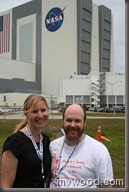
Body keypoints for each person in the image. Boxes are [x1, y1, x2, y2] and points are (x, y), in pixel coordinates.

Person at [49, 104, 113, 188]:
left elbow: (106, 186)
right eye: (68, 120)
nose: (72, 125)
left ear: (85, 123)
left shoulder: (99, 151)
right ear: (63, 121)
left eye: (77, 121)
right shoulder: (53, 146)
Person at [1, 94, 51, 188]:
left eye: (43, 110)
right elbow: (5, 185)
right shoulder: (14, 144)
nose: (40, 115)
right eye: (35, 111)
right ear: (26, 114)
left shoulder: (46, 140)